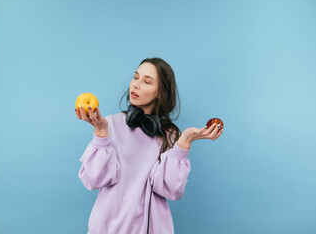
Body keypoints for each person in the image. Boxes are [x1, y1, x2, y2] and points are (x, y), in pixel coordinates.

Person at [75, 57, 223, 234]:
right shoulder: (110, 124)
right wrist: (100, 134)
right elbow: (93, 180)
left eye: (146, 81)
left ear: (160, 92)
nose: (136, 85)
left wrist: (183, 143)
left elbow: (171, 190)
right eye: (135, 77)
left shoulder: (169, 135)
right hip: (108, 228)